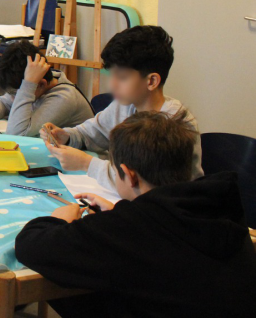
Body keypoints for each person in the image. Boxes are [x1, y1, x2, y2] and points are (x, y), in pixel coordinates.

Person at [15, 112, 256, 318]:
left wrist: (59, 219)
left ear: (128, 175)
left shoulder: (130, 227)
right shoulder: (218, 204)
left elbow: (31, 246)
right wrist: (121, 212)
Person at [40, 25, 202, 190]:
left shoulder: (175, 123)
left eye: (122, 77)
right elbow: (93, 132)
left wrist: (86, 164)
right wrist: (68, 137)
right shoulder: (125, 105)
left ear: (152, 81)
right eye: (112, 75)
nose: (112, 85)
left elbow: (141, 183)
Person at [0, 40, 93, 136]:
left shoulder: (64, 98)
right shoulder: (38, 83)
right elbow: (4, 102)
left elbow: (17, 133)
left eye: (17, 94)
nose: (13, 99)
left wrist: (28, 86)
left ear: (41, 84)